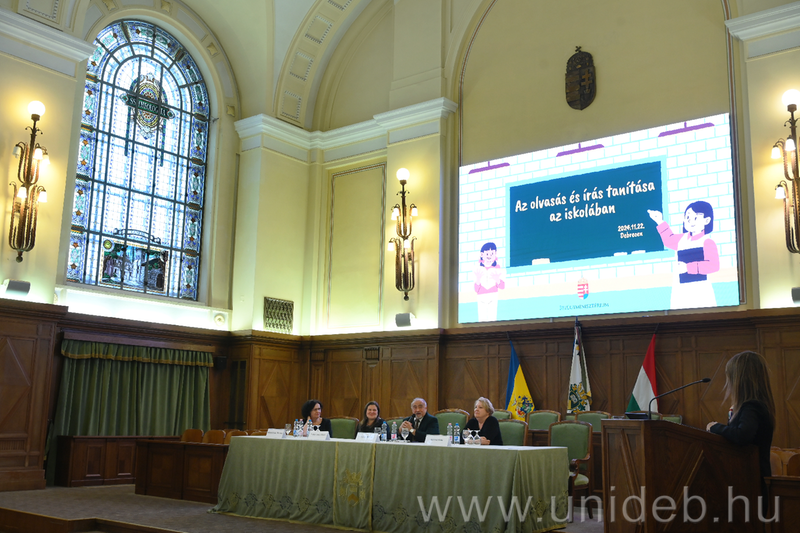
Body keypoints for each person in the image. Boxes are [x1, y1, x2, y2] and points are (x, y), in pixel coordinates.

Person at [706, 351, 775, 500]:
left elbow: (742, 435)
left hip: (751, 481)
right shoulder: (754, 405)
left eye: (730, 378)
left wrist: (714, 427)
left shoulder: (752, 406)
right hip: (746, 479)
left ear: (740, 380)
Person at [648, 201, 720, 310]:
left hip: (700, 290)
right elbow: (668, 240)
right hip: (681, 290)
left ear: (707, 220)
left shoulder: (707, 242)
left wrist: (687, 267)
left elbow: (713, 265)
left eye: (695, 218)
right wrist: (659, 221)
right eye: (688, 218)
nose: (691, 221)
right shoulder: (682, 239)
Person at [474, 242, 506, 322]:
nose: (489, 256)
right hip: (481, 296)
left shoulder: (497, 268)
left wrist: (497, 279)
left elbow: (502, 286)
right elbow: (476, 289)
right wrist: (478, 279)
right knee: (482, 318)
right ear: (482, 254)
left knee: (492, 317)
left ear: (495, 254)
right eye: (487, 254)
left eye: (492, 254)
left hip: (493, 295)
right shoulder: (478, 269)